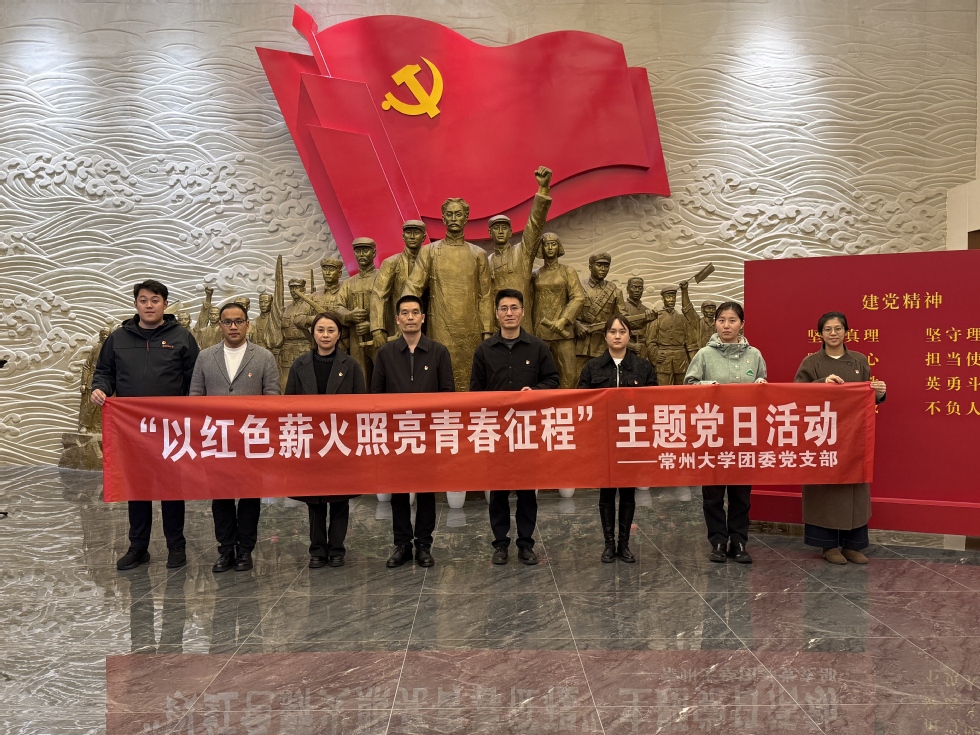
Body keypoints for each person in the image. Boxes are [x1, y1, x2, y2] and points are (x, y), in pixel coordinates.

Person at [90, 279, 200, 571]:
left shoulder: (182, 337)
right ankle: (138, 547)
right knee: (138, 488)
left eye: (155, 300)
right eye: (143, 300)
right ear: (135, 304)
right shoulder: (118, 338)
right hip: (133, 429)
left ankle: (176, 545)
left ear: (165, 304)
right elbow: (104, 372)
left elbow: (194, 379)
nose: (149, 305)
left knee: (171, 488)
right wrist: (100, 388)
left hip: (171, 428)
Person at [188, 302, 281, 573]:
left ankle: (245, 550)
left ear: (247, 324)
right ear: (220, 325)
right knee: (221, 497)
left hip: (251, 440)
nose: (233, 326)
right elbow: (195, 397)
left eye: (238, 321)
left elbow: (273, 398)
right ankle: (226, 549)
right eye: (227, 321)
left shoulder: (263, 357)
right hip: (217, 440)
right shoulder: (205, 357)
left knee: (250, 497)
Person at [471, 289, 560, 565]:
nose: (509, 313)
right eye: (504, 308)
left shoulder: (538, 347)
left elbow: (553, 380)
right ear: (497, 313)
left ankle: (526, 543)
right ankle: (500, 544)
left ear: (522, 311)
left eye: (514, 308)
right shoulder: (484, 350)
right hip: (496, 431)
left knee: (526, 491)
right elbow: (475, 391)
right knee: (497, 491)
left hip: (526, 431)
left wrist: (534, 392)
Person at [794, 311, 887, 565]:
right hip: (821, 434)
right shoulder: (811, 362)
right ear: (820, 334)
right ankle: (828, 546)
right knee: (824, 489)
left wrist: (879, 393)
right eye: (828, 329)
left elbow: (866, 396)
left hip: (853, 436)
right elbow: (797, 394)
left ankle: (852, 545)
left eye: (838, 329)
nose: (833, 333)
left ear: (846, 332)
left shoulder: (859, 360)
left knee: (853, 487)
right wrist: (822, 383)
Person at [372, 295, 455, 568]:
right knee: (398, 490)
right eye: (405, 313)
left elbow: (448, 394)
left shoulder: (438, 352)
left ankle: (424, 545)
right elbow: (376, 396)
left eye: (415, 312)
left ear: (423, 318)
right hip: (397, 434)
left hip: (428, 434)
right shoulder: (385, 353)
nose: (410, 317)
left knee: (426, 490)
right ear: (397, 319)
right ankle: (402, 544)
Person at [684, 301, 767, 564]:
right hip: (712, 434)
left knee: (741, 494)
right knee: (713, 495)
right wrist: (707, 386)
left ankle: (739, 542)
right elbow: (688, 386)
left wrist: (762, 384)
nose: (726, 325)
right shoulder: (704, 355)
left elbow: (764, 390)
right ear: (715, 323)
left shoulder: (755, 355)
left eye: (732, 320)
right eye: (721, 320)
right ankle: (718, 541)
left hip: (744, 435)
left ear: (742, 324)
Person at [284, 312, 365, 568]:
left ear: (339, 334)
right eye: (321, 330)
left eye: (331, 330)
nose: (326, 335)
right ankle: (317, 549)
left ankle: (337, 549)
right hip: (311, 441)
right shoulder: (299, 365)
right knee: (315, 499)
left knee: (339, 498)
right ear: (313, 334)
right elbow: (288, 405)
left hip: (340, 440)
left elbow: (361, 406)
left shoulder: (351, 365)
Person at [578, 315, 658, 562]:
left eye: (622, 331)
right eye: (612, 331)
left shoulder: (643, 367)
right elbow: (581, 403)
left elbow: (654, 403)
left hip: (631, 440)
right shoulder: (593, 368)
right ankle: (608, 544)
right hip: (603, 440)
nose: (617, 336)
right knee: (606, 493)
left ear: (629, 335)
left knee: (627, 493)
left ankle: (624, 544)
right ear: (605, 336)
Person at [404, 197, 494, 391]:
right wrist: (407, 317)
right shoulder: (429, 251)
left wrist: (487, 332)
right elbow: (413, 286)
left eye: (458, 214)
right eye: (449, 214)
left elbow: (486, 295)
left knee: (470, 381)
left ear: (466, 218)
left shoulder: (478, 254)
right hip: (440, 328)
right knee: (439, 379)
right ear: (443, 219)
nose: (454, 218)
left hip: (471, 329)